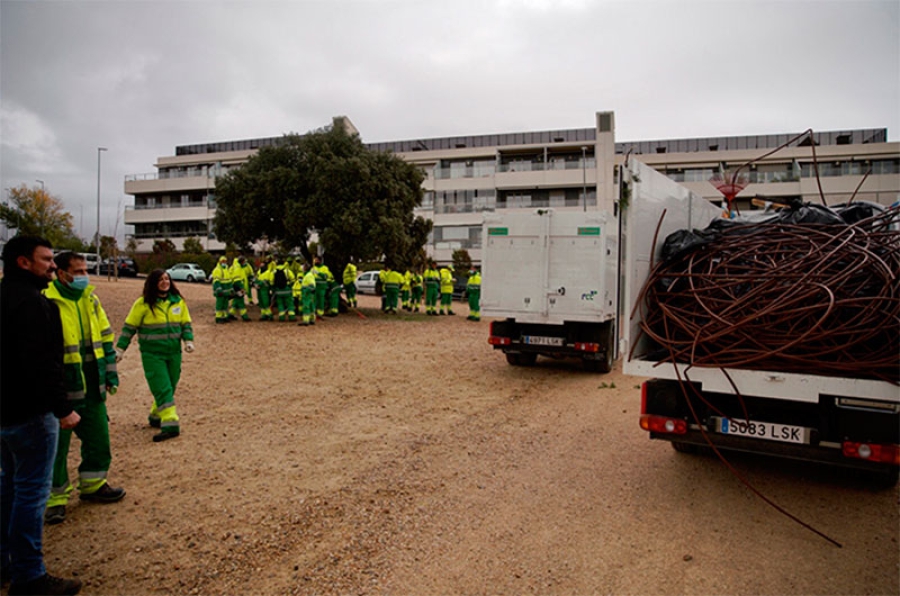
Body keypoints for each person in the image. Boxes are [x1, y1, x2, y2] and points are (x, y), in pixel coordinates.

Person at [1, 235, 83, 595]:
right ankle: (29, 576)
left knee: (7, 489)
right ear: (23, 262)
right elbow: (43, 365)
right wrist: (63, 409)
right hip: (31, 414)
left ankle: (4, 563)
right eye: (47, 260)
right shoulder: (36, 306)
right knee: (32, 495)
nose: (53, 265)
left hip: (4, 414)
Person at [43, 252, 125, 526]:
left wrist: (111, 374)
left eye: (84, 271)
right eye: (77, 272)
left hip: (92, 384)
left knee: (99, 439)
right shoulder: (47, 300)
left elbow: (104, 337)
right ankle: (55, 499)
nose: (82, 276)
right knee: (56, 449)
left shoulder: (90, 299)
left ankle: (93, 485)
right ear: (61, 273)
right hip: (63, 386)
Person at [116, 270, 194, 442]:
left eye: (167, 279)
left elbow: (185, 323)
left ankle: (156, 414)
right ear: (153, 283)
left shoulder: (178, 302)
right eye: (160, 279)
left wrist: (188, 340)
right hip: (152, 354)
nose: (164, 282)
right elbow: (129, 328)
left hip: (174, 352)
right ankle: (170, 422)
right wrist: (120, 349)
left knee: (171, 384)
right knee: (162, 386)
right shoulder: (142, 304)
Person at [209, 256, 234, 323]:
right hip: (220, 291)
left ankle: (224, 317)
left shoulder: (226, 270)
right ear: (219, 262)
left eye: (225, 261)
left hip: (226, 291)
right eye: (223, 261)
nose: (224, 263)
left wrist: (231, 289)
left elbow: (229, 280)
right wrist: (219, 289)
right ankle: (218, 317)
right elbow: (216, 281)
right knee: (219, 305)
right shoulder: (217, 270)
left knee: (225, 305)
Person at [295, 261, 317, 326]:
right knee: (311, 306)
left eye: (303, 267)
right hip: (309, 293)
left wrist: (306, 291)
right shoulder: (308, 275)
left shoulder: (308, 275)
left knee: (306, 307)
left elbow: (311, 285)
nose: (302, 268)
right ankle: (312, 320)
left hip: (307, 293)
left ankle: (306, 321)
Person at [228, 257, 251, 322]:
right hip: (238, 287)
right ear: (242, 262)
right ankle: (244, 316)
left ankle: (230, 314)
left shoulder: (236, 267)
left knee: (236, 301)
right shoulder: (238, 268)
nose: (245, 263)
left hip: (236, 286)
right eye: (244, 261)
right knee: (240, 302)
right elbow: (237, 279)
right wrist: (242, 288)